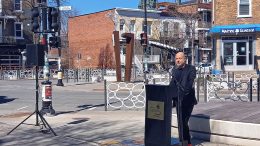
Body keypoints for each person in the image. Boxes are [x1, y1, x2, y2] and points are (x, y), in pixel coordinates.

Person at [169, 52, 197, 146]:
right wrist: (167, 93)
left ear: (184, 59)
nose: (178, 60)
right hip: (178, 100)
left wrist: (185, 92)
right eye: (176, 58)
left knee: (183, 121)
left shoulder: (191, 68)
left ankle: (186, 142)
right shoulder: (174, 70)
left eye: (180, 58)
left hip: (188, 99)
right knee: (180, 121)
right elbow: (172, 83)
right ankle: (184, 142)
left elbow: (190, 83)